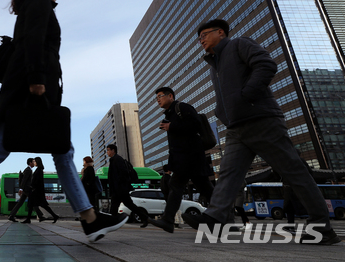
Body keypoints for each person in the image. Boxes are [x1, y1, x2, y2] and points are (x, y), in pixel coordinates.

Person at [0, 0, 127, 245]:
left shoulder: (31, 5)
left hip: (24, 92)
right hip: (29, 94)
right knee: (19, 149)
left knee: (57, 150)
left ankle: (90, 219)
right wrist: (37, 81)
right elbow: (34, 41)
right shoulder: (39, 0)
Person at [183, 19, 340, 245]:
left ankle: (323, 229)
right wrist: (223, 112)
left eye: (204, 35)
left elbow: (266, 64)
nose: (201, 40)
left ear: (221, 32)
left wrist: (247, 95)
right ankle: (213, 220)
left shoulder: (239, 44)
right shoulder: (214, 64)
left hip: (262, 121)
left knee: (294, 173)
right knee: (228, 174)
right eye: (199, 38)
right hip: (237, 128)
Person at [148, 87, 215, 233]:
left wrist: (172, 126)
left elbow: (195, 124)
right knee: (205, 188)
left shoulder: (183, 107)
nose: (158, 100)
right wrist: (171, 163)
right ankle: (223, 215)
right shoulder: (170, 114)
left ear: (170, 96)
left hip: (191, 156)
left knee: (177, 185)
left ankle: (168, 220)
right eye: (156, 98)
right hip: (183, 158)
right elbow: (174, 144)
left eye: (160, 96)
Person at [106, 144, 148, 227]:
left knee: (121, 206)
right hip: (119, 189)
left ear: (113, 150)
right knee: (122, 206)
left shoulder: (117, 159)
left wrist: (118, 187)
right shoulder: (114, 159)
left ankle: (111, 223)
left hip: (120, 189)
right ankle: (145, 218)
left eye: (108, 150)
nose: (107, 152)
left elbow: (122, 175)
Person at [22, 157, 60, 224]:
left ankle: (55, 216)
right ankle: (28, 219)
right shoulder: (39, 170)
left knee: (40, 205)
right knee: (32, 205)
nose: (34, 163)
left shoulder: (39, 170)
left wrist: (32, 186)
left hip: (36, 192)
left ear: (37, 162)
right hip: (35, 191)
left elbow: (38, 181)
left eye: (35, 161)